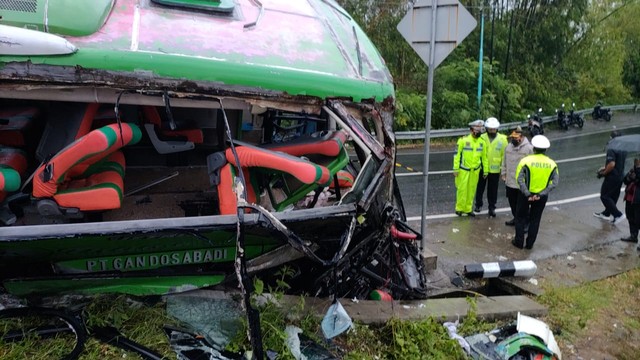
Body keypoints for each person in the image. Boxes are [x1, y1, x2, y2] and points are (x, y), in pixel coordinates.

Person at [512, 135, 559, 249]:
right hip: (541, 197)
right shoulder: (552, 164)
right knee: (535, 219)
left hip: (525, 195)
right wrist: (540, 194)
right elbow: (554, 183)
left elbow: (519, 179)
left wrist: (528, 193)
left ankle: (519, 242)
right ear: (546, 149)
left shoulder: (525, 161)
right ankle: (530, 244)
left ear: (533, 148)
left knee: (520, 218)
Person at [474, 117, 508, 217]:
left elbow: (504, 155)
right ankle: (478, 205)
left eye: (494, 129)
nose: (492, 130)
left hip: (495, 170)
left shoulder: (503, 139)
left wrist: (503, 171)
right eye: (490, 129)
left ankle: (492, 207)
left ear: (497, 129)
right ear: (487, 128)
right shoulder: (481, 138)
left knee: (493, 190)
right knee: (480, 188)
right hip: (483, 168)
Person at [453, 120, 488, 216]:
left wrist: (486, 170)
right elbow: (457, 155)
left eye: (480, 130)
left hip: (475, 171)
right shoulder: (463, 140)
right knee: (462, 189)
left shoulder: (482, 142)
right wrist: (455, 169)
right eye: (477, 130)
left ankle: (468, 209)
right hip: (463, 170)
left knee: (471, 190)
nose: (479, 132)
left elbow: (484, 157)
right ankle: (459, 208)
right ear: (471, 130)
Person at [501, 127, 534, 226]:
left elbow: (532, 166)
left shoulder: (529, 149)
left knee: (523, 206)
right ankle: (516, 218)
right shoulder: (508, 147)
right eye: (512, 137)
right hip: (510, 181)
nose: (513, 139)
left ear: (521, 137)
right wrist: (503, 173)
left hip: (522, 183)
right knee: (512, 203)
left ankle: (525, 223)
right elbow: (504, 162)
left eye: (515, 138)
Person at [593, 130, 627, 224]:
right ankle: (606, 214)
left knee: (605, 196)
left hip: (612, 176)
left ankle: (618, 215)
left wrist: (603, 173)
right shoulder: (623, 148)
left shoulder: (612, 148)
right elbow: (617, 163)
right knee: (613, 196)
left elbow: (612, 164)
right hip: (620, 175)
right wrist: (604, 167)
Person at [621, 158, 640, 245]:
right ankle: (633, 236)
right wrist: (630, 176)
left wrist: (637, 174)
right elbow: (625, 180)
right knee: (630, 216)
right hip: (630, 198)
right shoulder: (634, 169)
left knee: (638, 220)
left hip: (638, 199)